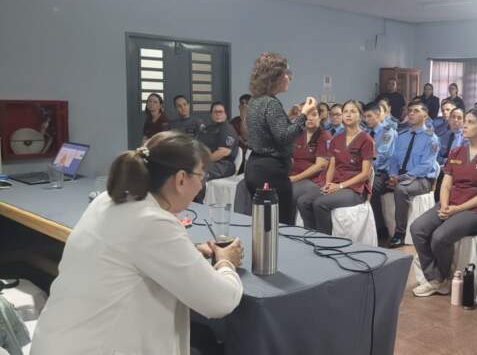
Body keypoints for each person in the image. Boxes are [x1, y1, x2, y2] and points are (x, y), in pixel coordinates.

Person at [30, 131, 244, 355]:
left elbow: (132, 256)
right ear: (181, 179)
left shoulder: (108, 200)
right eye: (201, 176)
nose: (202, 186)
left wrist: (188, 254)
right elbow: (219, 301)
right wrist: (226, 262)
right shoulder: (153, 223)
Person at [410, 108, 477, 297]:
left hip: (476, 210)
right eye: (465, 121)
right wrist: (444, 205)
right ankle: (436, 277)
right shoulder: (456, 151)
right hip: (450, 204)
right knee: (417, 228)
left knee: (439, 237)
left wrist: (457, 209)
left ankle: (441, 277)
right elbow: (445, 185)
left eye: (470, 122)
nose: (464, 125)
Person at [245, 52, 316, 225]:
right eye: (286, 73)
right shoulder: (271, 103)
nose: (289, 77)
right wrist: (304, 115)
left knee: (263, 224)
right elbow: (284, 136)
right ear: (274, 77)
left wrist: (289, 117)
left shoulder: (255, 101)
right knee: (280, 224)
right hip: (271, 172)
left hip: (255, 166)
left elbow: (268, 130)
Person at [297, 100, 374, 235]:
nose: (348, 115)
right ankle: (312, 237)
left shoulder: (366, 140)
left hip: (355, 189)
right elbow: (332, 165)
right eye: (346, 112)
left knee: (320, 204)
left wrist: (340, 186)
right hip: (335, 184)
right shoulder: (336, 139)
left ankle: (324, 242)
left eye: (353, 111)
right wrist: (327, 184)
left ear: (360, 116)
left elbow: (365, 174)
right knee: (303, 201)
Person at [382, 101, 440, 248]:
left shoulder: (431, 138)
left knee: (401, 189)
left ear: (425, 115)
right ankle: (381, 229)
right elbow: (394, 159)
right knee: (376, 185)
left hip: (421, 179)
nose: (411, 113)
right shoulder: (402, 135)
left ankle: (399, 233)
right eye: (410, 111)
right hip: (400, 176)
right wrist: (393, 175)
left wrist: (400, 179)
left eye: (416, 111)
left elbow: (425, 166)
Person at [289, 104, 332, 222]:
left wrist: (295, 178)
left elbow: (320, 166)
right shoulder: (298, 134)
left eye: (314, 115)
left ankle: (288, 227)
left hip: (314, 181)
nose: (310, 118)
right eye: (307, 115)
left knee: (286, 192)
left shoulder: (324, 136)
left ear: (320, 117)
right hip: (294, 176)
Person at [365, 102, 398, 241]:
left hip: (383, 173)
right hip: (367, 170)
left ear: (378, 115)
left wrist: (365, 167)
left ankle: (380, 229)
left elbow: (382, 156)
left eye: (369, 116)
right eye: (365, 116)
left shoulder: (387, 132)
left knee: (369, 189)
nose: (366, 119)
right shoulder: (366, 132)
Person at [196, 102, 239, 181]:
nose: (218, 114)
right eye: (215, 112)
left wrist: (202, 162)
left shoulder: (227, 129)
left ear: (225, 114)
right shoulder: (207, 129)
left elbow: (223, 152)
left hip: (222, 165)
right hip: (205, 162)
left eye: (220, 112)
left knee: (196, 173)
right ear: (211, 114)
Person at [434, 107, 465, 202]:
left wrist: (448, 163)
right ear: (449, 119)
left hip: (456, 171)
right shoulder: (440, 136)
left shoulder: (466, 138)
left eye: (459, 118)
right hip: (440, 169)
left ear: (464, 121)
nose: (455, 120)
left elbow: (462, 159)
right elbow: (436, 155)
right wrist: (442, 163)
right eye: (453, 117)